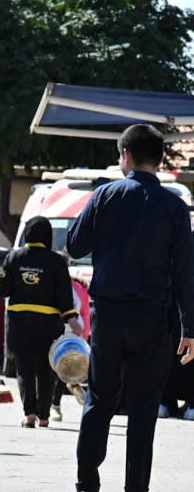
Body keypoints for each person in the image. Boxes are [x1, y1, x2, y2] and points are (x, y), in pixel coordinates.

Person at [66, 124, 194, 492]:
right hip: (153, 320)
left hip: (108, 316)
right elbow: (185, 270)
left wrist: (95, 203)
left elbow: (74, 246)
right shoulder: (174, 205)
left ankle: (86, 482)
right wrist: (190, 328)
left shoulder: (106, 195)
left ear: (125, 156)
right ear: (161, 159)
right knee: (143, 411)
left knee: (99, 401)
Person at [0, 217, 80, 428]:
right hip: (49, 323)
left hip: (20, 323)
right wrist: (72, 319)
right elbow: (64, 295)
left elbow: (4, 288)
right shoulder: (57, 261)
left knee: (24, 369)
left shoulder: (14, 257)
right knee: (47, 369)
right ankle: (44, 416)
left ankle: (30, 415)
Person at [51, 270, 92, 421]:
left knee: (63, 369)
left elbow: (85, 313)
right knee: (51, 371)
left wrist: (84, 337)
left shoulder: (78, 288)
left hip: (71, 335)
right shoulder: (46, 284)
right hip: (51, 331)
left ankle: (55, 405)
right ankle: (73, 384)